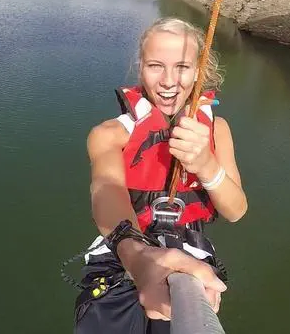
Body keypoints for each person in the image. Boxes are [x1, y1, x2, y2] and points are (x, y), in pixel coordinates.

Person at [73, 17, 248, 333]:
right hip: (121, 258)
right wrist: (139, 259)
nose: (169, 81)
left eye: (182, 67)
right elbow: (106, 191)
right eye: (156, 66)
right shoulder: (109, 134)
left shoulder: (217, 130)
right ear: (141, 68)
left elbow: (236, 210)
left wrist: (206, 165)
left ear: (198, 71)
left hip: (190, 258)